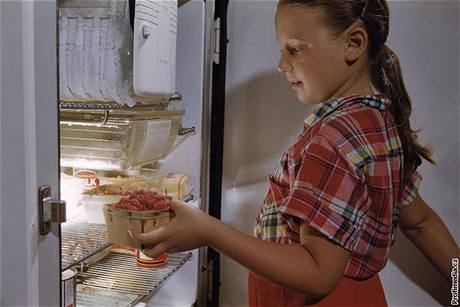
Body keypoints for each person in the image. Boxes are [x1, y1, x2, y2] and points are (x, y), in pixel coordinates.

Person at [131, 0, 460, 305]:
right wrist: (459, 288)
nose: (281, 64)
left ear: (354, 44)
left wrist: (207, 230)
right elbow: (421, 222)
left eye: (294, 49)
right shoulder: (378, 123)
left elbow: (317, 274)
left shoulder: (332, 140)